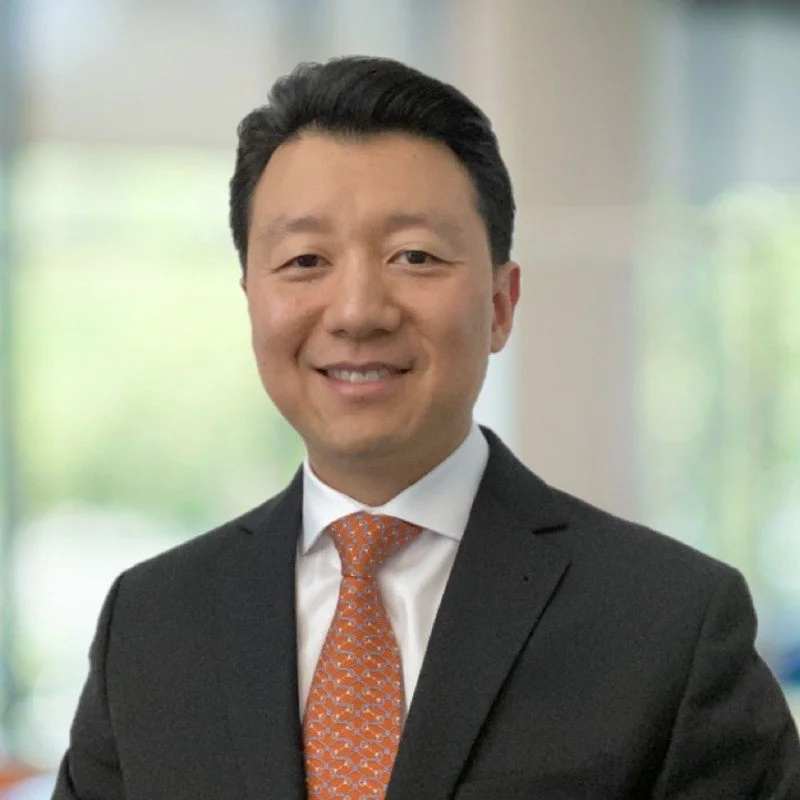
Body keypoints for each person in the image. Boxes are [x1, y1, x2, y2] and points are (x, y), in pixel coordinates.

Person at [53, 56, 799, 800]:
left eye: (414, 256)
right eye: (305, 259)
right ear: (251, 299)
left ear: (501, 305)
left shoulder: (670, 624)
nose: (357, 312)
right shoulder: (149, 626)